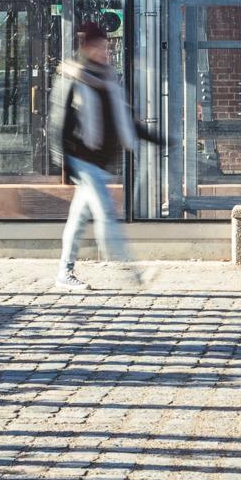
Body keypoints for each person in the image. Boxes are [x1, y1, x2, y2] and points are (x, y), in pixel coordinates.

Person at [50, 21, 159, 289]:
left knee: (78, 220)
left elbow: (122, 120)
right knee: (107, 213)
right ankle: (132, 273)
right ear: (86, 47)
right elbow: (58, 122)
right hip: (83, 161)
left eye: (106, 46)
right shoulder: (72, 76)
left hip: (99, 163)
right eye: (99, 46)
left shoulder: (108, 78)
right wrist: (64, 161)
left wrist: (157, 139)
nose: (104, 51)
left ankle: (64, 273)